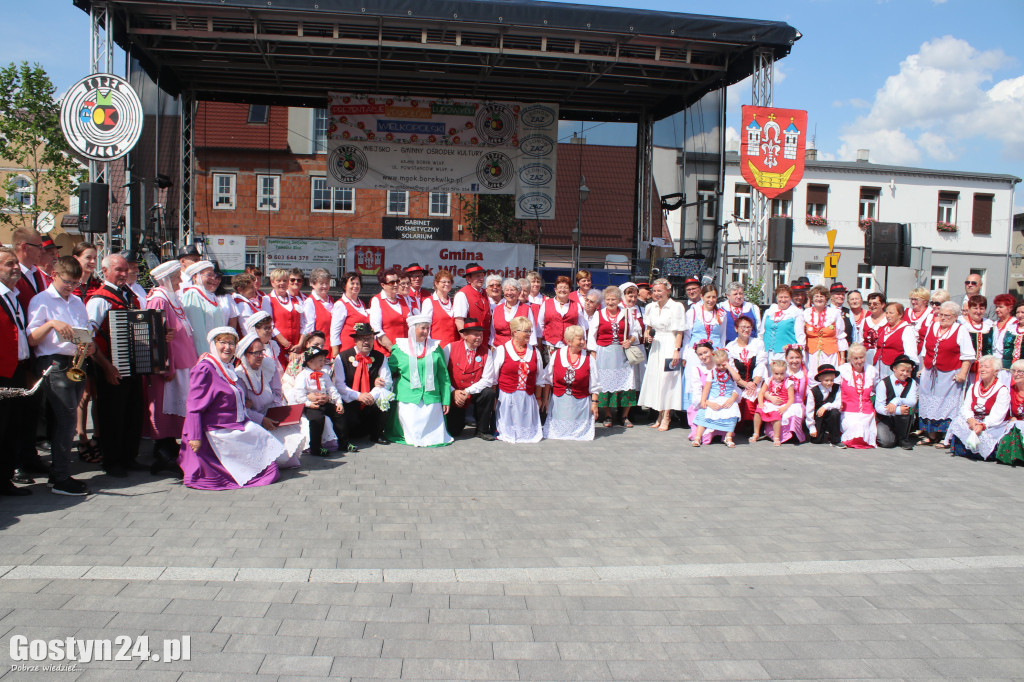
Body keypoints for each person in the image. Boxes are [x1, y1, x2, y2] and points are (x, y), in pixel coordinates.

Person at [24, 255, 95, 495]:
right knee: (66, 421)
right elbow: (32, 339)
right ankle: (60, 477)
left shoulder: (76, 301)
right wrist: (52, 324)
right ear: (54, 276)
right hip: (53, 363)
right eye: (67, 282)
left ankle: (60, 473)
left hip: (76, 361)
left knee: (64, 422)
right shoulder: (41, 300)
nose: (71, 287)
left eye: (75, 283)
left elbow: (84, 331)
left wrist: (90, 345)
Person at [181, 327, 282, 489]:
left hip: (233, 424)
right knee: (265, 464)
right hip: (216, 429)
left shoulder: (226, 367)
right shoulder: (205, 369)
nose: (227, 347)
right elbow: (193, 406)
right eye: (223, 342)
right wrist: (194, 436)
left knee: (269, 462)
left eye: (231, 343)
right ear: (214, 344)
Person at [85, 253, 146, 477]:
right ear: (105, 272)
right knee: (112, 415)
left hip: (132, 365)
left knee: (132, 413)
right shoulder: (99, 299)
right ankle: (112, 462)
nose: (124, 274)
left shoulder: (129, 296)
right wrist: (106, 366)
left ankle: (128, 458)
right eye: (119, 270)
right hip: (110, 366)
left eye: (125, 269)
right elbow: (88, 338)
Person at [143, 260, 197, 476]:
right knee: (167, 406)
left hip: (184, 362)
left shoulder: (171, 297)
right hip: (171, 364)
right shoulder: (158, 299)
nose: (179, 281)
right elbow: (155, 334)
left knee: (180, 406)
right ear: (166, 279)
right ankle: (163, 447)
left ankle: (171, 445)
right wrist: (166, 366)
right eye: (175, 277)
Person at [235, 332, 305, 469]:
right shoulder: (239, 375)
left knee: (293, 433)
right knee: (278, 455)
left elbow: (277, 392)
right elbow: (242, 408)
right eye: (256, 353)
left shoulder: (268, 365)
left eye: (262, 351)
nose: (261, 356)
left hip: (271, 412)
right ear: (246, 353)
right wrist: (262, 419)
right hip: (253, 419)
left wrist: (277, 412)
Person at [385, 313, 452, 447]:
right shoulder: (399, 348)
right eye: (422, 328)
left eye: (428, 328)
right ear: (412, 329)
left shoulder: (435, 347)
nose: (426, 332)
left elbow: (443, 376)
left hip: (431, 396)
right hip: (408, 396)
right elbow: (388, 371)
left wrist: (446, 399)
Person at [0, 247, 34, 495]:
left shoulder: (13, 295)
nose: (15, 268)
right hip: (2, 372)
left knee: (13, 426)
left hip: (17, 369)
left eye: (15, 263)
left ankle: (5, 478)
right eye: (8, 264)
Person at [919, 301, 975, 446]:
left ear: (955, 316)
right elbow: (926, 351)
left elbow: (967, 355)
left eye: (947, 316)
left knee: (948, 405)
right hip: (930, 372)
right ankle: (931, 434)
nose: (942, 318)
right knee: (929, 402)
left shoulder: (960, 330)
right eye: (941, 314)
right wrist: (923, 368)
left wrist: (962, 373)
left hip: (949, 373)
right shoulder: (933, 326)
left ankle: (947, 436)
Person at [490, 315, 549, 443]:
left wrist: (538, 398)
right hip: (507, 397)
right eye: (526, 331)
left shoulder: (534, 351)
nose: (529, 334)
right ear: (515, 333)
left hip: (527, 398)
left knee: (528, 434)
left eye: (530, 331)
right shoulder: (502, 350)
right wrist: (494, 399)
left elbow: (539, 379)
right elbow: (493, 378)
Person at [333, 322, 393, 445]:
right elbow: (339, 384)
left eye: (370, 338)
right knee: (349, 423)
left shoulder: (380, 357)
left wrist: (372, 394)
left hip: (370, 399)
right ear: (355, 340)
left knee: (384, 398)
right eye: (362, 339)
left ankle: (377, 434)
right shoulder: (342, 357)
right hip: (350, 400)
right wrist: (358, 396)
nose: (366, 342)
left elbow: (386, 381)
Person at [638, 278, 686, 430]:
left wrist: (676, 351)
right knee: (656, 380)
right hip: (656, 346)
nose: (657, 293)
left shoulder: (676, 306)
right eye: (655, 291)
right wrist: (648, 335)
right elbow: (648, 327)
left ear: (668, 290)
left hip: (670, 344)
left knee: (668, 380)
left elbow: (679, 331)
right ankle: (659, 414)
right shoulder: (650, 307)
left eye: (660, 290)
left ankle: (667, 415)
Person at [588, 285, 639, 427]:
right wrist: (593, 353)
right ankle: (608, 415)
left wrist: (630, 340)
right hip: (604, 352)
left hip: (622, 353)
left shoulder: (627, 313)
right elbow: (591, 336)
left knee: (627, 382)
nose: (610, 302)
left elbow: (636, 331)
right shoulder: (599, 314)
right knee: (604, 383)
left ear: (619, 300)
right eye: (608, 299)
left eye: (613, 299)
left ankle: (624, 416)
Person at [289, 346, 354, 456]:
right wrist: (309, 403)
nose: (323, 363)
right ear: (310, 361)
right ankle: (316, 447)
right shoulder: (303, 376)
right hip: (311, 404)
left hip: (324, 402)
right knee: (317, 419)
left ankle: (344, 442)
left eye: (323, 360)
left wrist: (338, 402)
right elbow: (299, 394)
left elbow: (332, 389)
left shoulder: (323, 374)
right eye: (320, 360)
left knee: (339, 414)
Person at [946, 355, 1009, 460]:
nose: (982, 369)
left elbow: (998, 414)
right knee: (958, 420)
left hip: (991, 425)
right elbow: (965, 407)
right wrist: (971, 420)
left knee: (986, 434)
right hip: (975, 421)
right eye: (981, 367)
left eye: (986, 367)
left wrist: (983, 425)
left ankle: (984, 452)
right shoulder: (974, 386)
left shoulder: (1002, 390)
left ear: (996, 371)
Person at [442, 317, 496, 440]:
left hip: (473, 392)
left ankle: (482, 429)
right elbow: (442, 374)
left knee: (488, 393)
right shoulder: (450, 348)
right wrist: (453, 392)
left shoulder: (486, 352)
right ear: (465, 335)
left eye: (481, 335)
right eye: (476, 335)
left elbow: (487, 379)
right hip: (455, 393)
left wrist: (467, 391)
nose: (479, 338)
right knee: (454, 431)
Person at [543, 325, 599, 441]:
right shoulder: (557, 355)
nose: (583, 342)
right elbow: (548, 379)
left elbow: (595, 383)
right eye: (579, 339)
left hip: (580, 403)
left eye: (583, 338)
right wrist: (545, 400)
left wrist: (594, 403)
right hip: (559, 402)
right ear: (569, 341)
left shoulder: (589, 358)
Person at [682, 286, 727, 415]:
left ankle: (711, 411)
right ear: (702, 297)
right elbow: (687, 335)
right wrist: (684, 355)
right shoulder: (694, 311)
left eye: (714, 297)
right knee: (695, 380)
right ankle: (693, 412)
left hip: (714, 353)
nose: (711, 300)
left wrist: (722, 353)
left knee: (712, 380)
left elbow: (722, 335)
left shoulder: (721, 314)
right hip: (695, 353)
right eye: (708, 297)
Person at [691, 348, 742, 448]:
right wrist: (704, 401)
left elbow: (738, 379)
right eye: (718, 365)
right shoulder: (712, 373)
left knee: (733, 411)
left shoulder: (730, 372)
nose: (721, 367)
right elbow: (706, 388)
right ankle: (698, 437)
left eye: (723, 364)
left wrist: (729, 367)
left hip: (727, 398)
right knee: (704, 413)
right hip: (714, 398)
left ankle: (728, 437)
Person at [181, 260, 229, 357]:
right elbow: (198, 333)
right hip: (205, 354)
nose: (213, 279)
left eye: (215, 275)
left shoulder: (211, 296)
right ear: (195, 277)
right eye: (209, 275)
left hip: (217, 352)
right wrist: (206, 357)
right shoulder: (193, 295)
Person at [726, 314, 766, 425]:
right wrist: (744, 384)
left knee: (750, 401)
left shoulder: (758, 344)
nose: (746, 329)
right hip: (737, 384)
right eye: (743, 327)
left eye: (748, 327)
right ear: (736, 328)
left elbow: (760, 365)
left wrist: (754, 383)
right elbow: (733, 371)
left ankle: (753, 428)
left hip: (754, 384)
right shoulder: (730, 346)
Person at [262, 268, 307, 366]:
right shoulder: (267, 299)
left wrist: (299, 345)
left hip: (297, 349)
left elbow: (304, 324)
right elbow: (270, 326)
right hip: (278, 348)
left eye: (285, 280)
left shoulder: (297, 299)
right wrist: (288, 346)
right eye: (278, 280)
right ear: (272, 282)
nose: (282, 283)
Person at [804, 284, 848, 381]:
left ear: (826, 299)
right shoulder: (805, 313)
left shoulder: (834, 313)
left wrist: (843, 358)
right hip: (811, 354)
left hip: (830, 354)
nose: (819, 299)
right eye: (816, 296)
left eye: (821, 296)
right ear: (812, 298)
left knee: (830, 377)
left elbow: (840, 336)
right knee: (812, 377)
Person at [875, 354, 918, 450]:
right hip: (885, 417)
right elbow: (879, 407)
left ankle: (903, 438)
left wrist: (896, 401)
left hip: (903, 417)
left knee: (907, 409)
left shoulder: (912, 382)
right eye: (902, 370)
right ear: (894, 368)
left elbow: (912, 401)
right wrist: (897, 410)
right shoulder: (883, 383)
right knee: (887, 443)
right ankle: (888, 435)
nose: (905, 374)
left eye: (908, 371)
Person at [838, 343, 877, 449]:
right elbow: (836, 391)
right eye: (856, 358)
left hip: (866, 413)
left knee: (862, 427)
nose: (859, 361)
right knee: (856, 426)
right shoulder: (843, 371)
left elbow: (876, 389)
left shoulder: (871, 371)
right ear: (850, 359)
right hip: (848, 412)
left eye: (861, 357)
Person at [538, 276, 587, 354]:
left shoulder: (576, 305)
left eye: (565, 287)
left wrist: (583, 343)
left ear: (570, 290)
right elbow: (540, 326)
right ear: (555, 290)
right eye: (560, 287)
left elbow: (581, 326)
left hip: (569, 346)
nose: (562, 290)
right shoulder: (546, 304)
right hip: (549, 346)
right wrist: (539, 344)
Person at [753, 359, 794, 446]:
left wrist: (784, 408)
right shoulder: (768, 380)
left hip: (780, 404)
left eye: (782, 374)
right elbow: (761, 393)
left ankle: (776, 437)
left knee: (776, 417)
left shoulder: (788, 382)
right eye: (776, 374)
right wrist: (761, 403)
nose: (779, 376)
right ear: (772, 372)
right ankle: (756, 433)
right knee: (758, 412)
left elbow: (791, 399)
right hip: (769, 403)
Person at [873, 302, 919, 380]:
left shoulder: (907, 329)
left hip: (894, 368)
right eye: (887, 313)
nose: (888, 316)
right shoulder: (884, 328)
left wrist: (907, 372)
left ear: (900, 315)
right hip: (879, 366)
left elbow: (910, 353)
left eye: (891, 313)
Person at [760, 284, 805, 361]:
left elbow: (800, 335)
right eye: (780, 297)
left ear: (790, 298)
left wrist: (799, 354)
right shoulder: (769, 312)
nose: (783, 299)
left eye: (786, 297)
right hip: (767, 353)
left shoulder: (796, 313)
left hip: (785, 355)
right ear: (776, 297)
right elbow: (761, 332)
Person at [370, 267, 409, 355]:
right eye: (392, 282)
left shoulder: (404, 299)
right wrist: (393, 349)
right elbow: (377, 330)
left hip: (405, 351)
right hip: (386, 353)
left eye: (397, 281)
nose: (396, 285)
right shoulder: (377, 300)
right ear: (383, 285)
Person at [992, 359, 1024, 466]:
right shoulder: (1009, 390)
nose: (1016, 374)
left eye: (1020, 372)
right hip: (1014, 424)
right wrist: (1011, 418)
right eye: (1013, 371)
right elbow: (1005, 410)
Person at [329, 271, 370, 355]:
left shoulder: (361, 303)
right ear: (345, 286)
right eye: (352, 283)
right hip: (348, 351)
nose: (355, 286)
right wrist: (335, 355)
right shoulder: (341, 305)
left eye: (357, 284)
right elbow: (334, 332)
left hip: (362, 350)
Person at [453, 263, 492, 345]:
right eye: (478, 276)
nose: (481, 279)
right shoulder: (462, 294)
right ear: (468, 279)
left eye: (482, 276)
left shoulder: (485, 293)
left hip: (484, 341)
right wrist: (466, 339)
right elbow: (459, 321)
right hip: (471, 343)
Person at [491, 278, 536, 348]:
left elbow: (532, 332)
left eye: (512, 290)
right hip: (499, 349)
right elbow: (492, 332)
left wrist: (531, 349)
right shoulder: (497, 309)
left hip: (520, 349)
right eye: (506, 290)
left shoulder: (526, 309)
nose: (509, 293)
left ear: (518, 292)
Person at [299, 268, 334, 355]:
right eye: (321, 283)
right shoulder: (310, 302)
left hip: (332, 346)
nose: (325, 286)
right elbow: (308, 327)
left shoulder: (331, 299)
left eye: (327, 283)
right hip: (319, 348)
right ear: (313, 284)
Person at [806, 364, 842, 446]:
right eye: (827, 380)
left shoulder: (837, 388)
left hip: (830, 415)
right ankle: (820, 432)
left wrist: (826, 406)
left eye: (832, 380)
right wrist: (811, 427)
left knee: (835, 412)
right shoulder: (813, 391)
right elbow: (809, 411)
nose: (830, 383)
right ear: (820, 379)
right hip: (818, 417)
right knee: (817, 440)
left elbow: (838, 404)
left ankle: (835, 440)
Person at [11, 227, 47, 310]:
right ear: (24, 247)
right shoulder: (11, 275)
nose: (43, 251)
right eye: (39, 246)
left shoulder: (37, 273)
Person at [422, 269, 459, 347]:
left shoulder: (454, 302)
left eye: (449, 282)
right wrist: (428, 347)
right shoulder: (429, 302)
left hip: (454, 347)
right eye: (444, 282)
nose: (447, 284)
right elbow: (425, 327)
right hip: (437, 347)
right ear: (436, 283)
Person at [961, 295, 993, 383]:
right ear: (969, 308)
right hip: (964, 366)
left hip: (983, 368)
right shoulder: (961, 322)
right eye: (975, 308)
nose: (978, 311)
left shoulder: (989, 324)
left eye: (982, 308)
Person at [781, 346, 809, 444]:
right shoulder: (782, 373)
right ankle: (782, 435)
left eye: (797, 357)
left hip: (798, 403)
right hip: (783, 402)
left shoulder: (805, 375)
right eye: (791, 358)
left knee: (794, 414)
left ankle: (794, 434)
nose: (794, 360)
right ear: (786, 358)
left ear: (801, 358)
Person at [860, 293, 887, 366]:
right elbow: (860, 341)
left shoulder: (888, 320)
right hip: (867, 358)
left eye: (875, 304)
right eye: (869, 304)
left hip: (883, 358)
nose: (872, 306)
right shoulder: (865, 321)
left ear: (883, 305)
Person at [1000, 300, 1024, 372]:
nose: (1020, 315)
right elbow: (999, 348)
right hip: (1007, 369)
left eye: (1023, 312)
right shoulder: (1009, 328)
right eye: (1018, 312)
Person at [992, 293, 1018, 358]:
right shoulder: (993, 324)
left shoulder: (1015, 323)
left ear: (1010, 308)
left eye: (1001, 307)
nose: (997, 310)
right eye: (996, 307)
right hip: (993, 360)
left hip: (1007, 360)